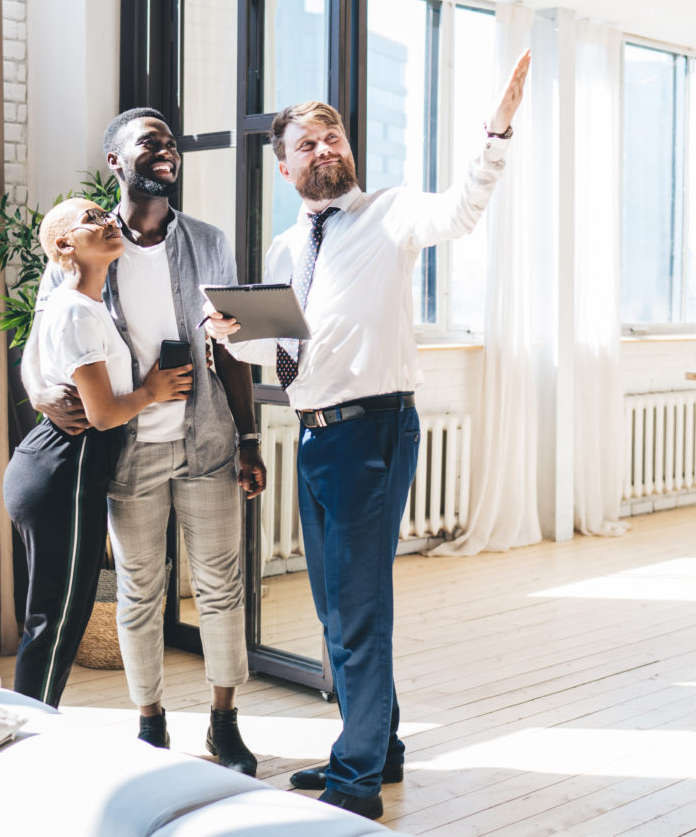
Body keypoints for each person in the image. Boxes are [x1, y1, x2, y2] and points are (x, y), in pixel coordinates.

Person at [205, 50, 531, 819]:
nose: (327, 149)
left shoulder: (389, 213)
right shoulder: (288, 250)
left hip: (373, 432)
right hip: (316, 435)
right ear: (285, 169)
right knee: (335, 609)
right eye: (308, 144)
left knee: (356, 611)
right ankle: (377, 750)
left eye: (335, 137)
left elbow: (461, 209)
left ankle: (356, 778)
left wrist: (497, 129)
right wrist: (230, 335)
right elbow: (288, 352)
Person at [22, 109, 268, 774]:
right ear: (115, 163)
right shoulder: (84, 244)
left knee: (221, 584)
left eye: (172, 143)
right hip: (129, 449)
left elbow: (233, 346)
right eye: (150, 142)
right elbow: (38, 344)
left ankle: (224, 720)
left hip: (209, 439)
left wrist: (248, 434)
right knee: (139, 587)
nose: (168, 151)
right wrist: (38, 393)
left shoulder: (211, 243)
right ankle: (150, 724)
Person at [3, 198, 191, 706]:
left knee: (63, 615)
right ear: (65, 246)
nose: (108, 222)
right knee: (55, 618)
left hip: (66, 472)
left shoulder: (84, 307)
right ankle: (25, 742)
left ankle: (33, 729)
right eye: (91, 220)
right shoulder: (74, 310)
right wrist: (154, 391)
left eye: (106, 215)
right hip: (62, 472)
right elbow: (104, 414)